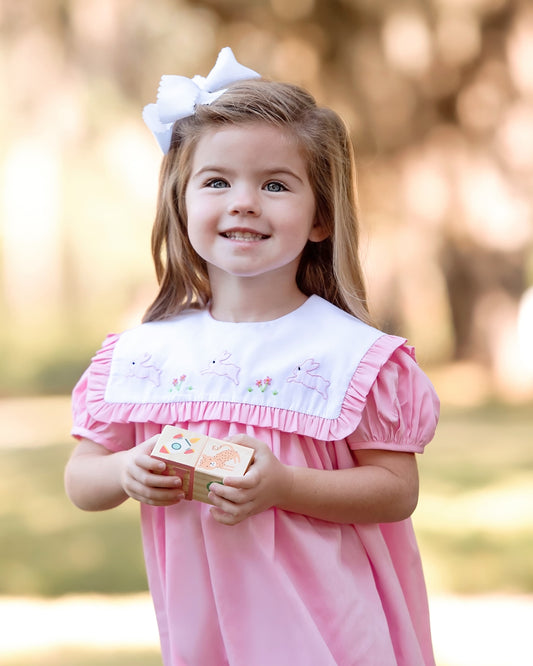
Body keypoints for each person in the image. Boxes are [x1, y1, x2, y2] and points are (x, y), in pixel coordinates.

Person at [65, 47, 440, 666]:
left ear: (320, 216)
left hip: (330, 629)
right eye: (217, 181)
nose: (244, 201)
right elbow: (83, 478)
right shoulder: (147, 355)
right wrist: (127, 469)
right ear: (181, 204)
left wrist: (284, 486)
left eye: (274, 184)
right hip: (206, 634)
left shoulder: (351, 356)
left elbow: (396, 490)